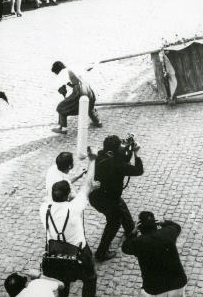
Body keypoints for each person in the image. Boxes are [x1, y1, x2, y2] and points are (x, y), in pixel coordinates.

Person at [39, 149, 99, 297]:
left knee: (61, 281)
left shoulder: (44, 209)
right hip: (78, 251)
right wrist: (92, 160)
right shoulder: (73, 208)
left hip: (55, 252)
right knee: (90, 278)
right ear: (68, 196)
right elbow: (88, 185)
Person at [89, 135, 144, 262]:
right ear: (111, 151)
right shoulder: (117, 165)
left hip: (98, 195)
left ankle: (130, 229)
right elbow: (138, 170)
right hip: (106, 199)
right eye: (119, 147)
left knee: (120, 205)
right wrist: (136, 153)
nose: (121, 148)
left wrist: (129, 149)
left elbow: (121, 158)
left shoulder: (100, 155)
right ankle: (101, 253)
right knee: (114, 222)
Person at [122, 212, 187, 297]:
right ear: (155, 224)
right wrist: (163, 222)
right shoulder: (167, 233)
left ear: (140, 227)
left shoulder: (138, 243)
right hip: (177, 282)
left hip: (155, 288)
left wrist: (134, 232)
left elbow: (125, 248)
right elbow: (177, 227)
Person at [51, 61, 102, 134]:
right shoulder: (73, 67)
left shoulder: (61, 75)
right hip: (88, 88)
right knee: (88, 104)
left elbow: (62, 90)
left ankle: (63, 128)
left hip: (79, 91)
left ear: (57, 71)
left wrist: (65, 98)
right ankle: (97, 121)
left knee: (61, 107)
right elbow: (88, 69)